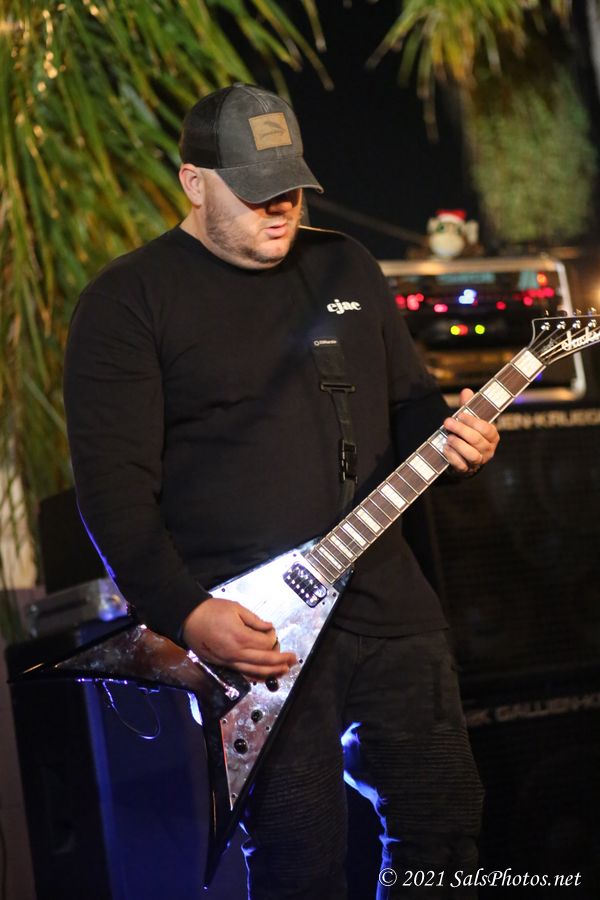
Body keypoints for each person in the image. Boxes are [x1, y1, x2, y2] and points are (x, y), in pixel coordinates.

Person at [63, 83, 499, 899]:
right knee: (301, 860)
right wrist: (188, 615)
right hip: (258, 627)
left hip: (388, 599)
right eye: (257, 192)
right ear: (194, 182)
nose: (280, 208)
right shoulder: (128, 302)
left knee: (445, 830)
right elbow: (112, 495)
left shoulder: (345, 264)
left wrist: (456, 437)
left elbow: (410, 404)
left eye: (291, 187)